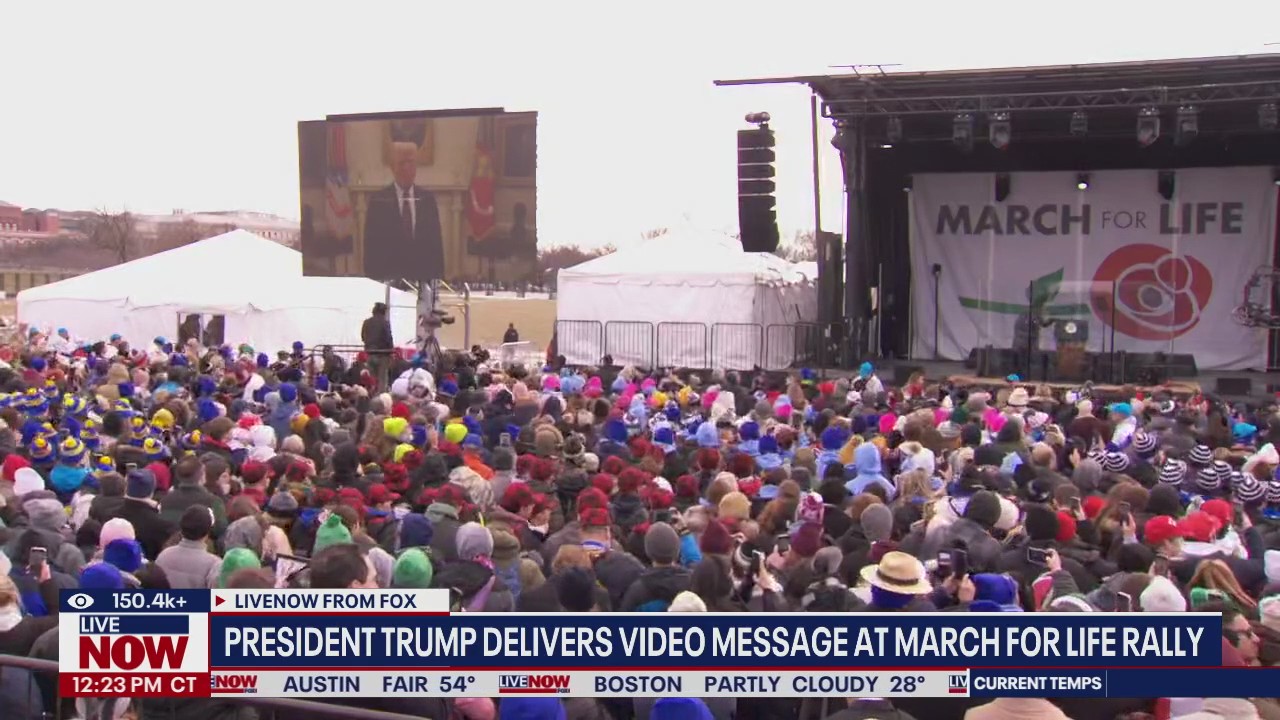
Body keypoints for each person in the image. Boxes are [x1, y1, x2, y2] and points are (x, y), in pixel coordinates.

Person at [362, 141, 444, 282]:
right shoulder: (378, 201)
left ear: (416, 166)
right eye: (401, 163)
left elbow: (437, 248)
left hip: (422, 282)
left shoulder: (428, 200)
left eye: (410, 162)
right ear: (392, 167)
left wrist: (437, 282)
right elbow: (371, 252)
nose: (406, 168)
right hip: (389, 282)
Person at [361, 302, 394, 392]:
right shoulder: (385, 323)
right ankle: (380, 397)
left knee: (372, 379)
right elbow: (388, 338)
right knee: (382, 381)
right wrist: (391, 351)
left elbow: (363, 337)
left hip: (370, 354)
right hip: (383, 355)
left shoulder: (366, 322)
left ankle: (371, 395)